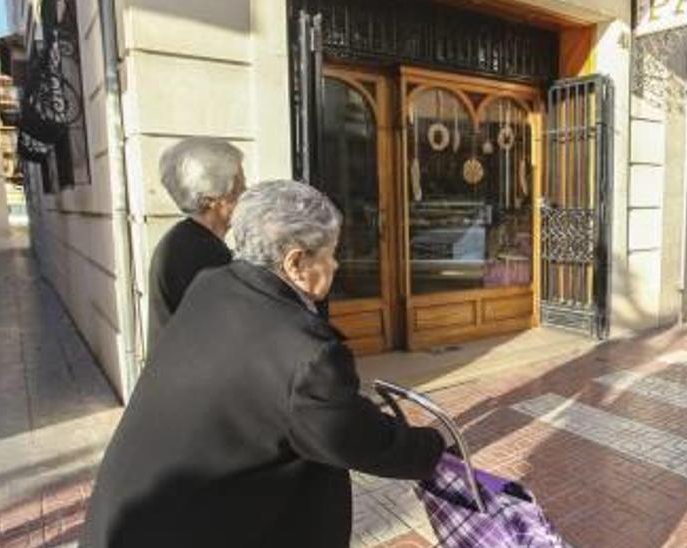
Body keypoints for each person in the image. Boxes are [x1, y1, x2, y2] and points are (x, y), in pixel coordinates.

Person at [82, 180, 445, 548]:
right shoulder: (306, 355)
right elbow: (350, 435)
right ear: (296, 263)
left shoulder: (213, 285)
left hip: (132, 521)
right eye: (331, 253)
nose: (335, 264)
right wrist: (432, 449)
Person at [147, 138, 244, 348]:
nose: (244, 197)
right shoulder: (203, 254)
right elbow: (223, 337)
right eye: (238, 190)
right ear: (211, 199)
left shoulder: (185, 239)